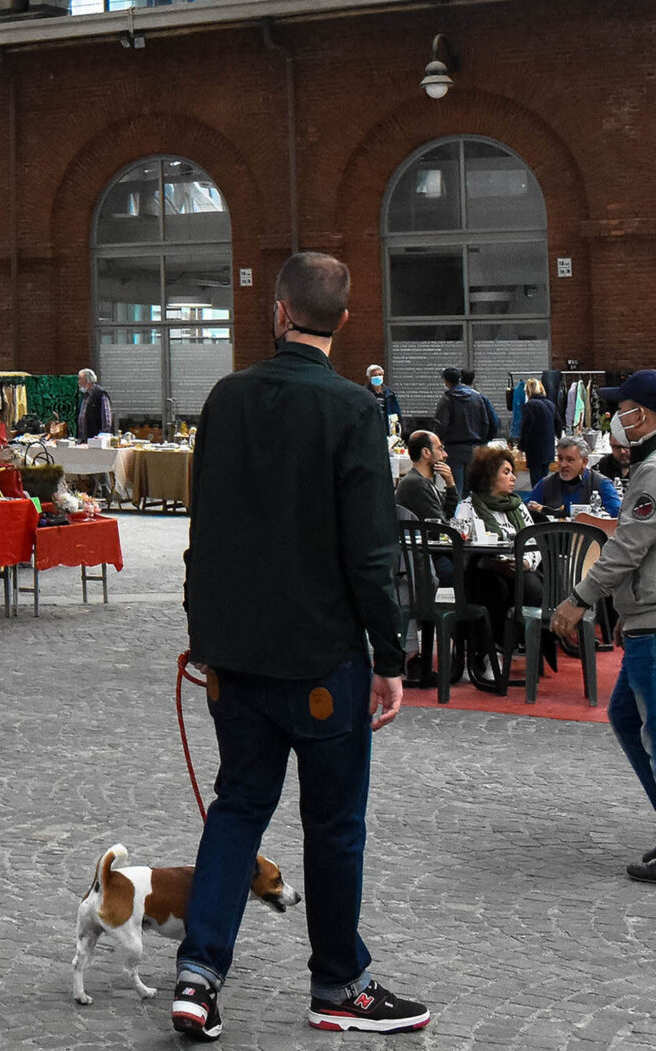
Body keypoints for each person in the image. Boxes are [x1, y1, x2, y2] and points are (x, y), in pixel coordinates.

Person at [173, 251, 426, 1040]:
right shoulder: (353, 410)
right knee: (334, 822)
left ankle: (197, 975)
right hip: (323, 658)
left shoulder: (226, 396)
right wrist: (391, 656)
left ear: (277, 311)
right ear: (345, 321)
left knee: (237, 806)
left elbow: (201, 530)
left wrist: (203, 636)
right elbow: (371, 552)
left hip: (236, 657)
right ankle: (339, 984)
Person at [550, 369, 656, 887]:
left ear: (638, 415)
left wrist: (580, 598)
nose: (612, 419)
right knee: (629, 716)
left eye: (618, 409)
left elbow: (627, 548)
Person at [452, 448, 545, 678]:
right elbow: (463, 548)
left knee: (532, 590)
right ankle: (485, 653)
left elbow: (534, 541)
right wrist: (492, 564)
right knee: (495, 588)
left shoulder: (518, 506)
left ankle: (501, 650)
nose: (513, 478)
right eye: (506, 472)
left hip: (518, 569)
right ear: (489, 476)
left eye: (512, 472)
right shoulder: (469, 507)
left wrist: (524, 562)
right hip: (481, 570)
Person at [432, 366, 497, 483]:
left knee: (456, 488)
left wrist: (437, 444)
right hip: (476, 447)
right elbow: (486, 422)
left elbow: (441, 425)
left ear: (446, 382)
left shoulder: (447, 399)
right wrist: (483, 442)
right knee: (474, 488)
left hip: (454, 449)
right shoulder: (477, 397)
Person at [532, 435, 621, 517]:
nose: (563, 465)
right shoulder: (546, 484)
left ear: (584, 462)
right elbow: (526, 511)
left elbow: (616, 514)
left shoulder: (601, 484)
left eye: (570, 460)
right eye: (560, 458)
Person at [395, 429, 453, 521]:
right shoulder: (416, 484)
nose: (445, 455)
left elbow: (448, 516)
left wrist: (450, 484)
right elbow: (439, 526)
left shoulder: (424, 481)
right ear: (426, 452)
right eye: (440, 449)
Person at [515, 379, 559, 481]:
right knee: (544, 480)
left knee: (536, 480)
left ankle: (536, 497)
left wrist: (521, 448)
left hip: (535, 450)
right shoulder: (550, 404)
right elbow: (558, 424)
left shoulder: (530, 405)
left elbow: (526, 428)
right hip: (549, 448)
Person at [73, 368, 113, 443]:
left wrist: (102, 436)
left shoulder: (100, 394)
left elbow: (106, 418)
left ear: (86, 380)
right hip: (84, 440)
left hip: (96, 440)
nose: (78, 382)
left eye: (80, 379)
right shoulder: (85, 395)